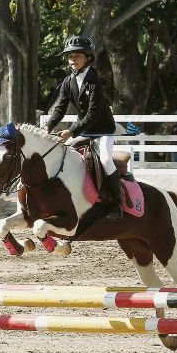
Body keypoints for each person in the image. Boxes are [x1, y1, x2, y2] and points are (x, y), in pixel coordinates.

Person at [44, 35, 123, 221]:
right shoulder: (67, 81)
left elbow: (92, 114)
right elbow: (60, 108)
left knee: (105, 160)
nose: (73, 60)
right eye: (70, 57)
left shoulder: (94, 80)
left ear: (87, 58)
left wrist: (71, 131)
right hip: (84, 130)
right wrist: (48, 126)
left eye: (77, 56)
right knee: (61, 155)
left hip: (102, 131)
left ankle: (116, 204)